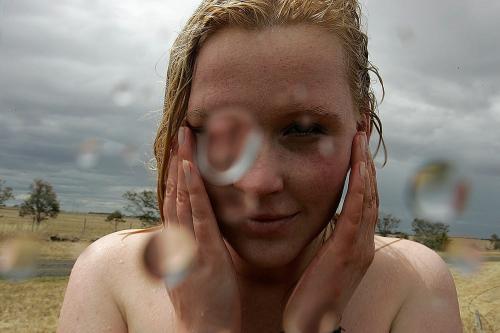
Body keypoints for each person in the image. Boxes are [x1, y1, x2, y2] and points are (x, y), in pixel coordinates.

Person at [58, 1, 463, 332]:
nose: (257, 181)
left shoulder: (412, 285)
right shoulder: (111, 277)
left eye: (303, 129)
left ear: (361, 127)